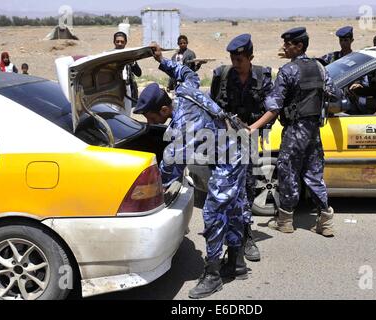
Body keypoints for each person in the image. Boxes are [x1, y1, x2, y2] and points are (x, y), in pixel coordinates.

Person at [133, 43, 250, 299]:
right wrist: (162, 61)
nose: (150, 123)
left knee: (213, 212)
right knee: (231, 207)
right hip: (237, 148)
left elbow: (169, 169)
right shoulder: (185, 90)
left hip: (230, 158)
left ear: (164, 109)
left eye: (151, 117)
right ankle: (238, 263)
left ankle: (213, 274)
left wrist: (147, 188)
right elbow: (186, 73)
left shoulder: (183, 127)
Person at [249, 27, 336, 237]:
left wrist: (253, 127)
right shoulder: (320, 67)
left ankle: (285, 220)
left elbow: (274, 105)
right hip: (314, 132)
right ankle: (325, 221)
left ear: (298, 46)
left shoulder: (288, 70)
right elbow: (333, 93)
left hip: (295, 131)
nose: (284, 48)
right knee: (314, 175)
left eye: (288, 45)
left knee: (288, 173)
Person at [210, 34, 273, 263]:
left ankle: (247, 236)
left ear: (250, 58)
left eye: (240, 60)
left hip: (249, 139)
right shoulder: (222, 75)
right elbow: (214, 107)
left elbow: (273, 108)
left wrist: (251, 129)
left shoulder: (263, 77)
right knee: (225, 188)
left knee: (246, 188)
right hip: (226, 140)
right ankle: (224, 235)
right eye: (232, 59)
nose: (235, 64)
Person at [113, 31, 142, 116]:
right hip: (114, 88)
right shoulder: (109, 55)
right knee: (114, 111)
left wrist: (132, 62)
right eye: (117, 41)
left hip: (127, 87)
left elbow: (139, 73)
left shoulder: (129, 56)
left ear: (125, 43)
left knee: (127, 112)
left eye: (122, 42)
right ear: (114, 42)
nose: (119, 43)